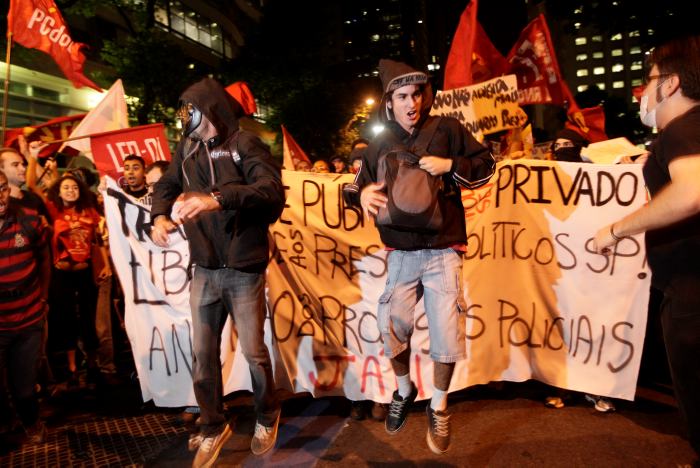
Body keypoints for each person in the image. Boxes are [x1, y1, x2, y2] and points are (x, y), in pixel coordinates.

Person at [343, 59, 495, 454]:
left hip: (444, 249)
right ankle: (404, 389)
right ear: (389, 102)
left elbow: (486, 165)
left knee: (447, 331)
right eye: (402, 96)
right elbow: (354, 186)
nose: (412, 103)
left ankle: (439, 405)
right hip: (401, 253)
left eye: (417, 94)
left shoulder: (446, 129)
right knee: (390, 323)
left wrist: (451, 166)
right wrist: (359, 194)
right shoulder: (379, 142)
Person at [150, 77, 285, 466]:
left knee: (254, 352)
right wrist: (159, 216)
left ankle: (267, 415)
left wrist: (216, 199)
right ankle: (212, 425)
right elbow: (167, 184)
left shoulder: (244, 144)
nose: (183, 117)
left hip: (243, 270)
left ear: (208, 110)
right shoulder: (187, 148)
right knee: (202, 354)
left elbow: (271, 190)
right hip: (205, 269)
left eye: (188, 109)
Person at [593, 35, 700, 455]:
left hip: (693, 290)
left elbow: (691, 192)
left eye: (649, 79)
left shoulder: (680, 131)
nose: (643, 90)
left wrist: (616, 230)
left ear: (670, 84)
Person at [45, 173, 111, 389]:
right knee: (66, 321)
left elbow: (99, 240)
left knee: (88, 320)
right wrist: (32, 158)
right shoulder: (53, 210)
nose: (71, 190)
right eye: (66, 187)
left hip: (84, 274)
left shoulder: (89, 212)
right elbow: (35, 191)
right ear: (58, 191)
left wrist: (106, 265)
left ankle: (93, 366)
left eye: (74, 187)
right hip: (61, 275)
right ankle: (73, 370)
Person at [0, 169, 51, 444]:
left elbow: (44, 259)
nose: (0, 196)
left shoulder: (29, 219)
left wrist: (43, 298)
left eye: (2, 188)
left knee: (24, 387)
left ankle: (31, 423)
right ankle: (7, 420)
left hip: (29, 318)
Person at [0, 147, 49, 220]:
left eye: (22, 164)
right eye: (15, 165)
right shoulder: (2, 205)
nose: (23, 168)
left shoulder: (34, 198)